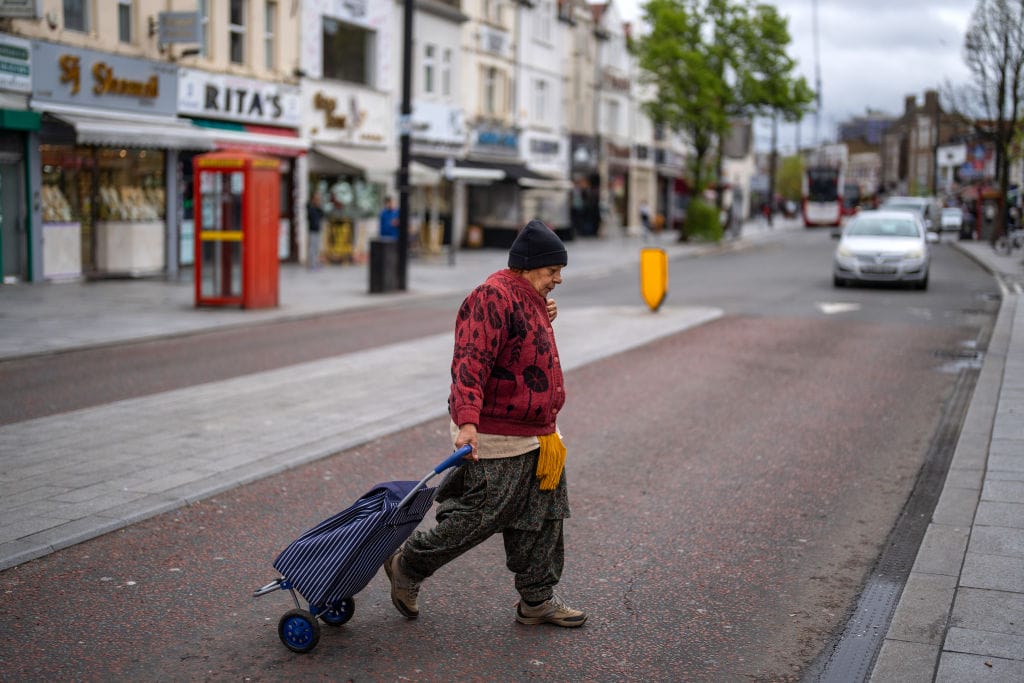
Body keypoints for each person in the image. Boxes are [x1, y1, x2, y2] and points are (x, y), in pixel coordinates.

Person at [384, 219, 587, 628]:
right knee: (478, 516)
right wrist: (467, 423)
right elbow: (469, 364)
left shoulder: (527, 298)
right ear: (528, 266)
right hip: (499, 434)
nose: (558, 280)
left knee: (545, 517)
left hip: (541, 435)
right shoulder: (490, 297)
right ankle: (408, 565)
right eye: (551, 272)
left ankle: (537, 599)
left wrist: (541, 311)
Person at [306, 191, 324, 269]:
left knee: (316, 248)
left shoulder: (317, 207)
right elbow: (311, 217)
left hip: (317, 229)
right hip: (312, 229)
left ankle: (315, 263)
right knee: (312, 248)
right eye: (316, 198)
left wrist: (319, 206)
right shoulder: (310, 207)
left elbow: (322, 215)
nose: (317, 199)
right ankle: (312, 264)